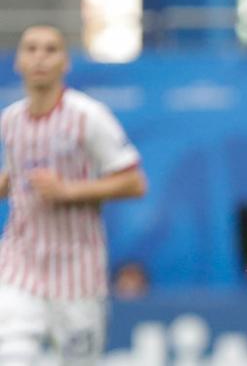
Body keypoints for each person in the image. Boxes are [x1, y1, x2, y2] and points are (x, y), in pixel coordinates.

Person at [0, 25, 147, 365]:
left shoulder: (88, 117)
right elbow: (16, 177)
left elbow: (134, 182)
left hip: (77, 272)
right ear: (18, 61)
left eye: (50, 49)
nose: (40, 57)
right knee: (12, 357)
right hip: (18, 266)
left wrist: (68, 191)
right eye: (31, 49)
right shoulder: (10, 122)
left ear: (65, 61)